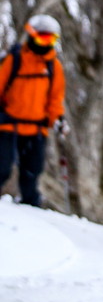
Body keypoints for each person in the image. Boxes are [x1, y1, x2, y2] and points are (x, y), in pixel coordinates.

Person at [0, 14, 66, 208]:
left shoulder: (54, 67)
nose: (45, 44)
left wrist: (58, 119)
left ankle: (32, 211)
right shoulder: (15, 60)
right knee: (2, 168)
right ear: (31, 35)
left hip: (36, 130)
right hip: (7, 126)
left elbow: (55, 99)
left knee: (32, 172)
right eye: (41, 38)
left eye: (51, 39)